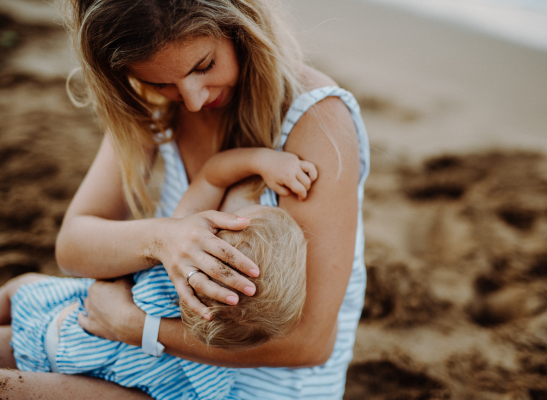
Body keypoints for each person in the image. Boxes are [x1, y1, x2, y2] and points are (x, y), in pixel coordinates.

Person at [0, 0, 370, 399]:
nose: (192, 99)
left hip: (236, 384)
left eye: (204, 66)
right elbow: (73, 247)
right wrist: (164, 239)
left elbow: (310, 343)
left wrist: (134, 326)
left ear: (240, 27)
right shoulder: (152, 101)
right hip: (141, 350)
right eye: (162, 82)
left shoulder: (316, 118)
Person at [0, 148, 312, 400]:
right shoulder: (209, 367)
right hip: (74, 362)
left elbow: (212, 177)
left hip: (63, 323)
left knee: (20, 287)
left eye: (238, 216)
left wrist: (260, 160)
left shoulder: (184, 253)